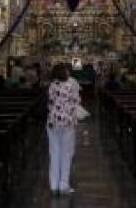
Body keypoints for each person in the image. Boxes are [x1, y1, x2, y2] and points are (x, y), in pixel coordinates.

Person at [47, 63, 81, 195]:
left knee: (54, 152)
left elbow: (50, 102)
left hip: (52, 122)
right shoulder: (71, 84)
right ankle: (64, 185)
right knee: (66, 153)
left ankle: (54, 184)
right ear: (65, 72)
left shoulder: (52, 85)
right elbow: (76, 101)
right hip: (67, 122)